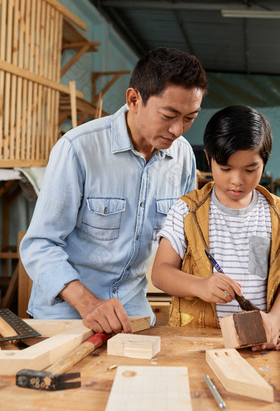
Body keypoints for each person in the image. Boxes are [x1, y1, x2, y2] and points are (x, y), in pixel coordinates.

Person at [20, 47, 207, 334]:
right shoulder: (78, 149)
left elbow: (181, 242)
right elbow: (39, 246)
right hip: (66, 314)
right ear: (134, 99)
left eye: (189, 118)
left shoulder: (182, 157)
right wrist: (88, 304)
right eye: (169, 115)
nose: (178, 130)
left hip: (133, 313)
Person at [151, 105, 280, 350]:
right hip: (199, 342)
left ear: (264, 161)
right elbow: (161, 272)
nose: (237, 180)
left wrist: (274, 321)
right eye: (225, 169)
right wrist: (200, 286)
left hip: (260, 342)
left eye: (250, 169)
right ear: (209, 158)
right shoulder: (187, 211)